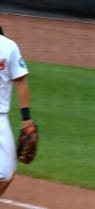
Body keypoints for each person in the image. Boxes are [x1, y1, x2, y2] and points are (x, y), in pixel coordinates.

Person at [0, 25, 36, 196]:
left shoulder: (8, 47)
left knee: (6, 173)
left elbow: (20, 81)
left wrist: (26, 120)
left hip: (0, 118)